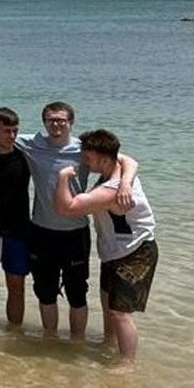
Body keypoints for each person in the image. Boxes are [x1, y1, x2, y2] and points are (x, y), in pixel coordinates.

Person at [16, 101, 137, 340]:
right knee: (45, 292)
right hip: (41, 230)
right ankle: (49, 339)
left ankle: (77, 343)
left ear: (71, 122)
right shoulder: (31, 144)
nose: (57, 124)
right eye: (51, 120)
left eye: (62, 120)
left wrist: (125, 183)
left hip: (76, 232)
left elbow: (126, 161)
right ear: (44, 122)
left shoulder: (84, 149)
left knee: (77, 293)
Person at [54, 130, 156, 363]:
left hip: (136, 252)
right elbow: (128, 159)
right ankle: (108, 347)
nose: (84, 161)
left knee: (120, 313)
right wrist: (127, 181)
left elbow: (67, 208)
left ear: (105, 159)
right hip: (114, 252)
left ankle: (126, 363)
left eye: (88, 158)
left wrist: (62, 178)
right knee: (109, 306)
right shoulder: (118, 168)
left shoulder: (112, 189)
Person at [0, 107, 31, 326]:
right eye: (6, 131)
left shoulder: (25, 156)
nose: (12, 136)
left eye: (15, 131)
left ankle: (15, 334)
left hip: (18, 230)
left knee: (16, 286)